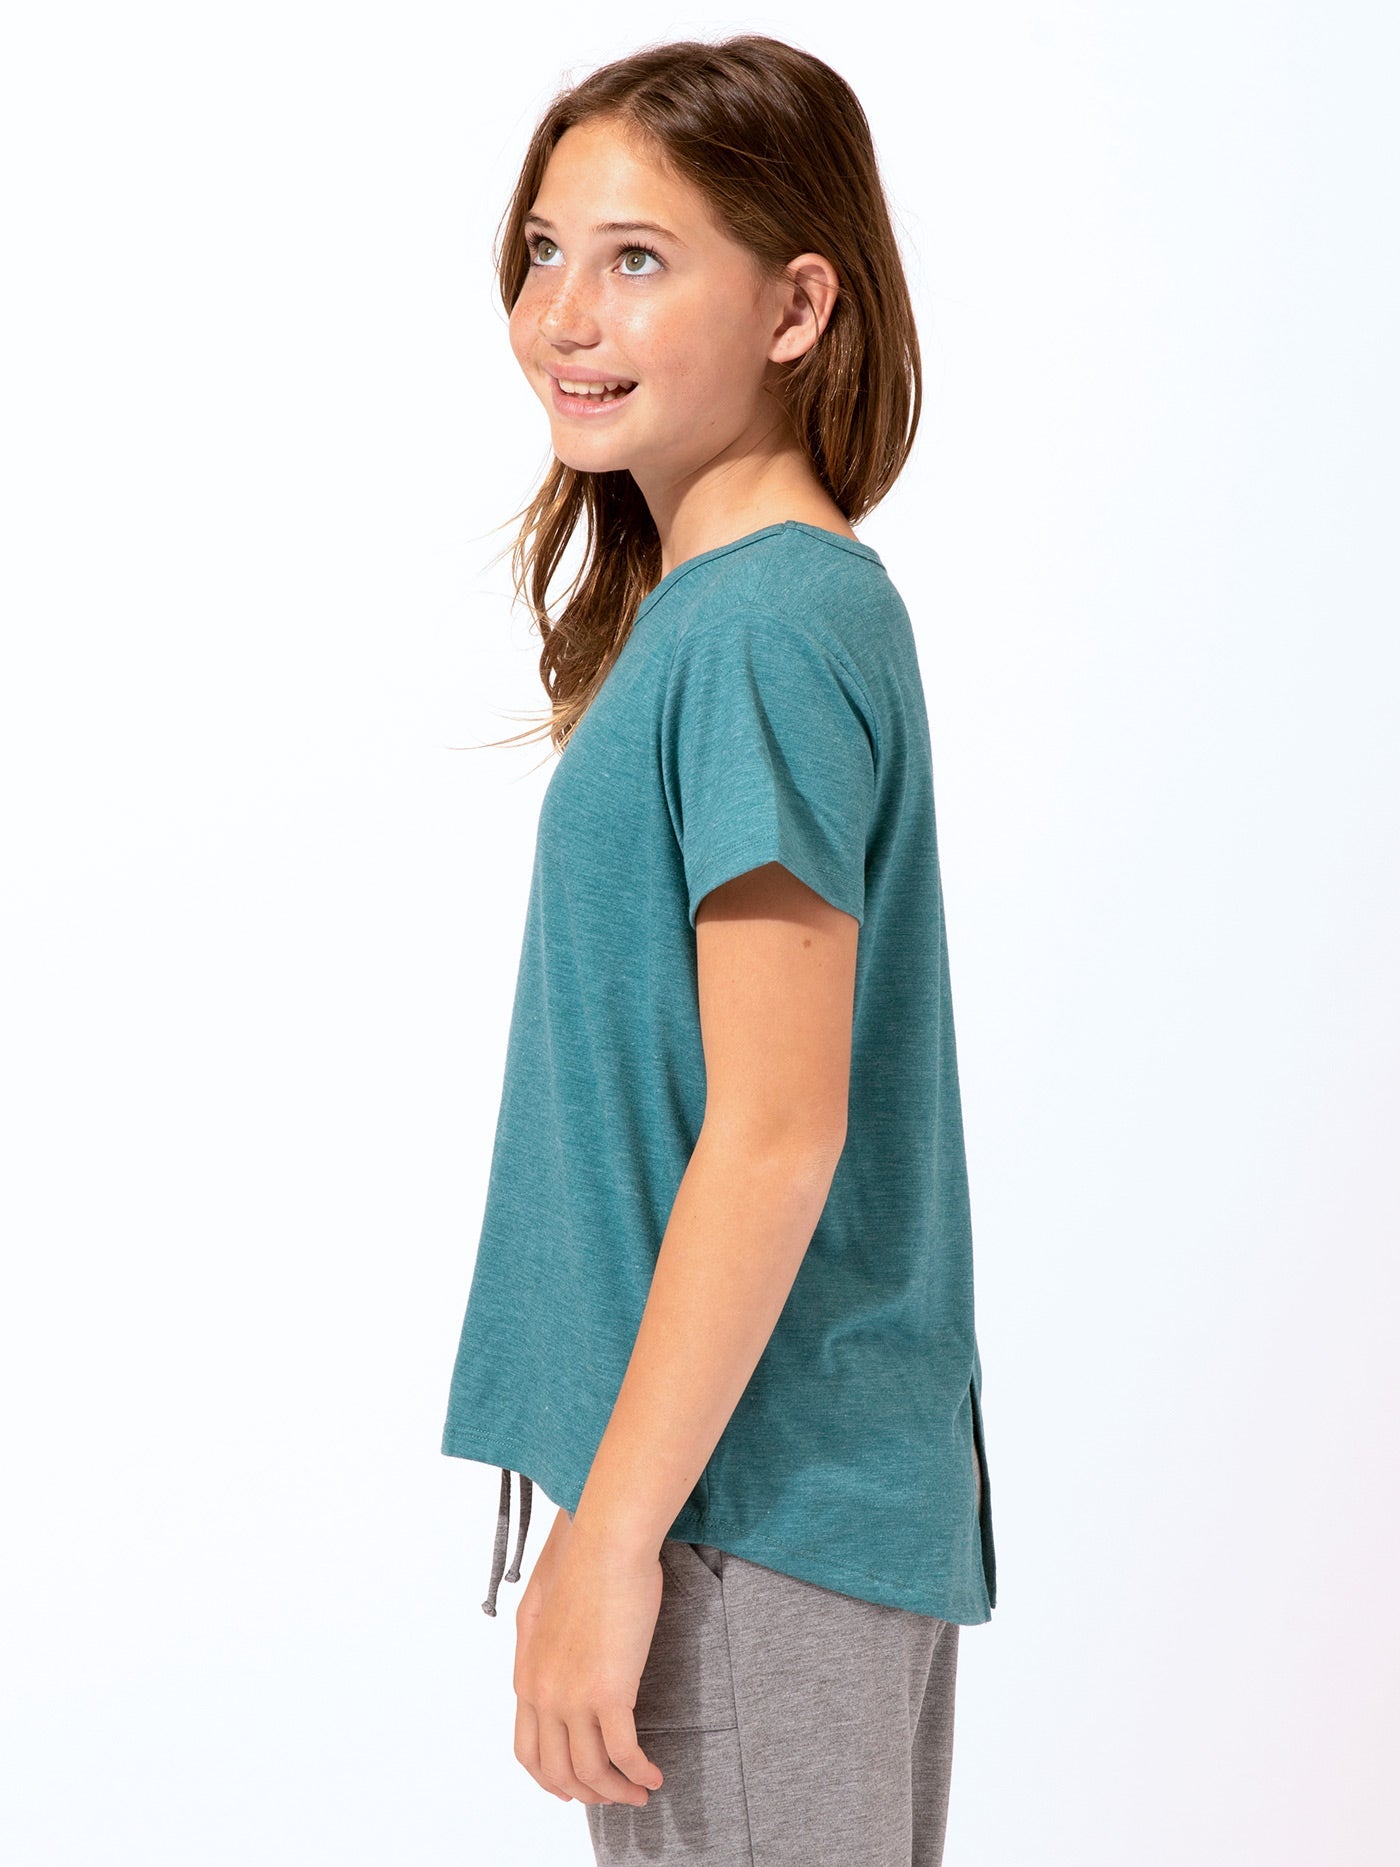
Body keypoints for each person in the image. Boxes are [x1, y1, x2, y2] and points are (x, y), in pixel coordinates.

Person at [439, 32, 998, 1866]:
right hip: (746, 1504)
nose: (563, 315)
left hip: (747, 1515)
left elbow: (776, 1130)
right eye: (545, 250)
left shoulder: (763, 627)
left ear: (797, 307)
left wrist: (613, 1541)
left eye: (638, 258)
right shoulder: (729, 616)